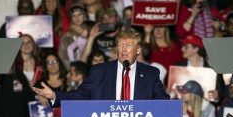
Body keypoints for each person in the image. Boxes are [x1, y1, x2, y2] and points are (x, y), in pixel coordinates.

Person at [33, 28, 169, 105]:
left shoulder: (150, 73)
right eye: (120, 46)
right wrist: (54, 95)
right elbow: (80, 95)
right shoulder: (99, 71)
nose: (123, 50)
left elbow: (162, 101)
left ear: (138, 50)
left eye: (128, 46)